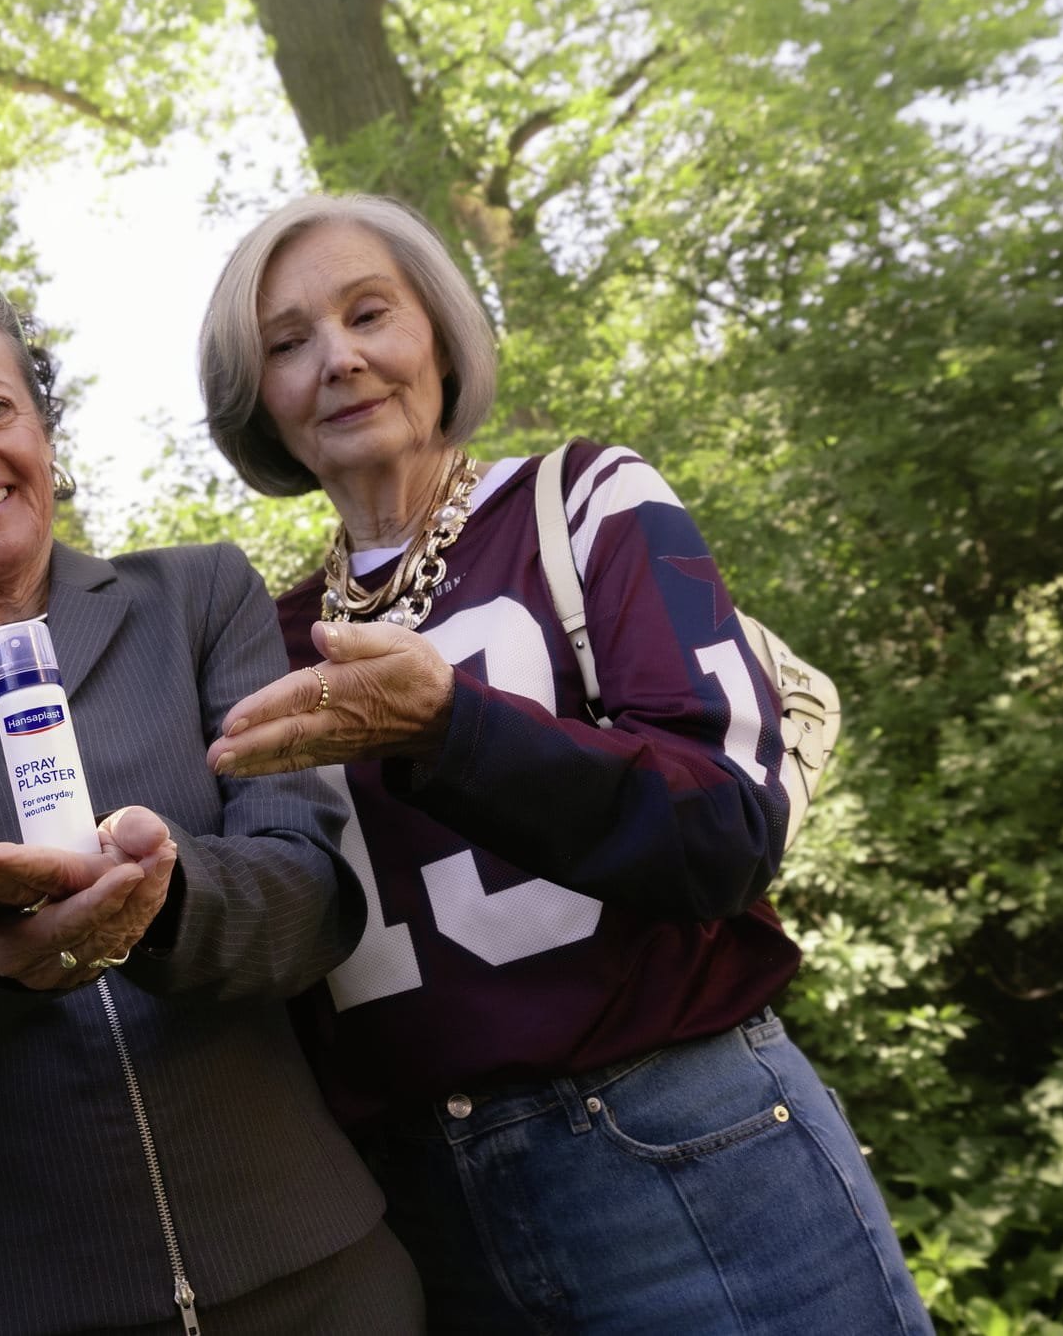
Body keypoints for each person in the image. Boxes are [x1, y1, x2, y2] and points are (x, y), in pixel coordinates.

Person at [192, 196, 934, 1335]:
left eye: (368, 312)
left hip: (686, 1147)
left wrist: (450, 725)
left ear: (436, 331)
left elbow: (728, 829)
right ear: (259, 403)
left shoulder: (586, 501)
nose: (337, 359)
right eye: (287, 343)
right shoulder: (265, 640)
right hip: (427, 1214)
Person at [0, 255, 422, 1335]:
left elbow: (313, 888)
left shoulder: (198, 599)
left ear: (43, 431)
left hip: (315, 1272)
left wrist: (163, 897)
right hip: (14, 1306)